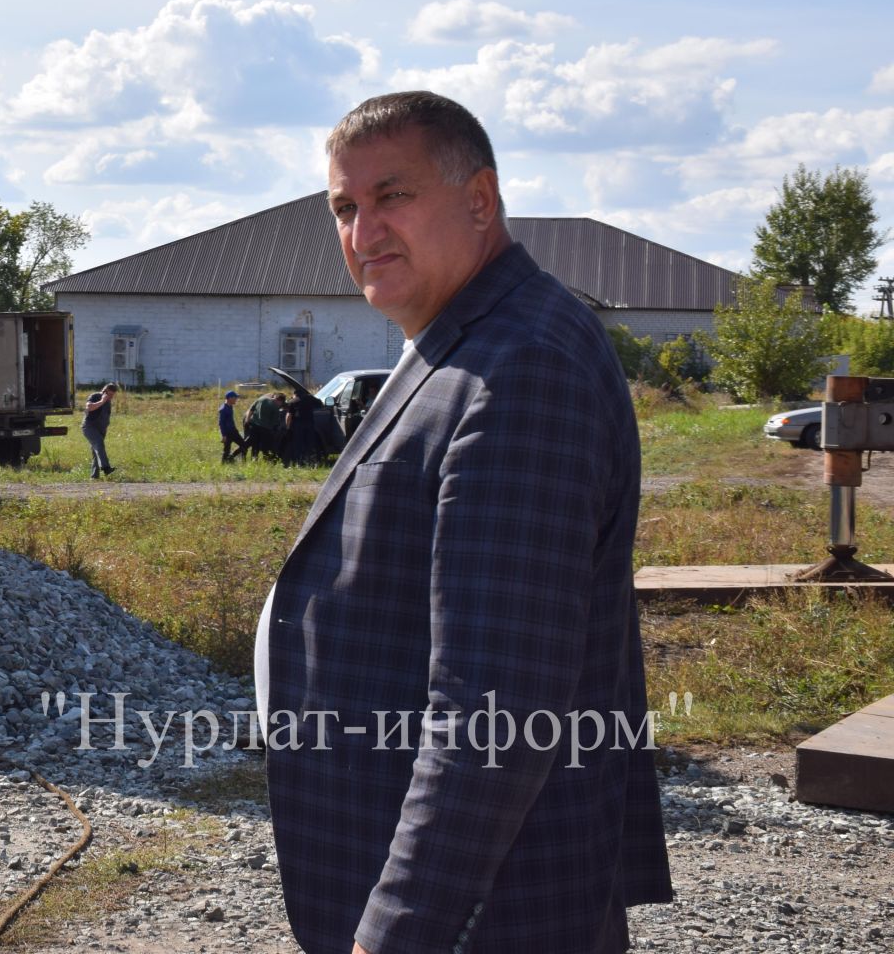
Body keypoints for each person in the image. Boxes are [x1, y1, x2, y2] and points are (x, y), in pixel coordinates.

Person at [257, 91, 671, 953]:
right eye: (345, 206)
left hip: (490, 914)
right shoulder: (465, 344)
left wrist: (400, 928)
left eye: (392, 195)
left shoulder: (518, 372)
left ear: (479, 200)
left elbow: (494, 709)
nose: (363, 231)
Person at [81, 382, 118, 479]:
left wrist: (104, 428)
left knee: (97, 451)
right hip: (89, 427)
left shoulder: (108, 402)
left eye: (112, 395)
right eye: (109, 394)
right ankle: (106, 468)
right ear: (104, 391)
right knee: (99, 444)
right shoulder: (95, 396)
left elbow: (106, 416)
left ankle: (94, 476)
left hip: (101, 429)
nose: (111, 397)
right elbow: (89, 407)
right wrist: (102, 401)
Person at [217, 389, 249, 462]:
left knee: (244, 446)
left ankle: (232, 458)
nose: (236, 400)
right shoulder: (224, 409)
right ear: (230, 398)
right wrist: (223, 435)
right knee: (226, 451)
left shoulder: (230, 406)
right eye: (235, 398)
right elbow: (221, 423)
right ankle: (225, 463)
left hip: (233, 431)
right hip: (228, 433)